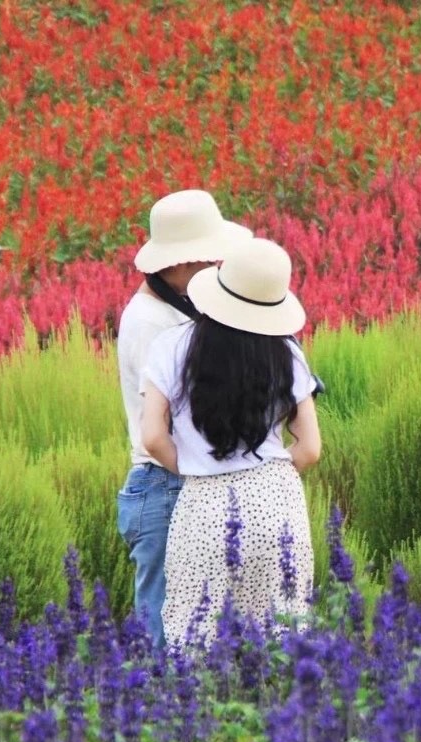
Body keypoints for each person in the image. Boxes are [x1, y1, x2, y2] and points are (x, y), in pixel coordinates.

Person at [140, 238, 322, 648]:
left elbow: (152, 437)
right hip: (278, 504)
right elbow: (309, 449)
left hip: (204, 507)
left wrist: (194, 467)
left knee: (195, 642)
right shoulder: (287, 353)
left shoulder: (171, 346)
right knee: (281, 641)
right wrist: (266, 473)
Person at [117, 189, 251, 648]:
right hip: (164, 484)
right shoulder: (153, 323)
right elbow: (162, 433)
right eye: (207, 258)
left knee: (202, 632)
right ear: (177, 264)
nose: (217, 266)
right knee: (164, 638)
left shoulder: (183, 309)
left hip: (183, 480)